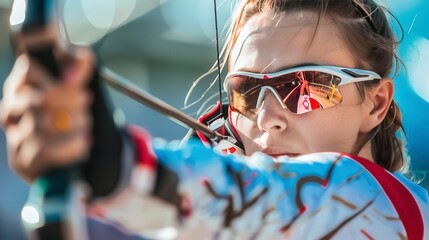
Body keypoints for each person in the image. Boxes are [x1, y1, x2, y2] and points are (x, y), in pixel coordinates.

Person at [1, 0, 428, 239]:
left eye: (306, 86)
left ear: (375, 103)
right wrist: (68, 169)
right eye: (245, 92)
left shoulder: (392, 210)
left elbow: (281, 194)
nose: (266, 117)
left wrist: (112, 162)